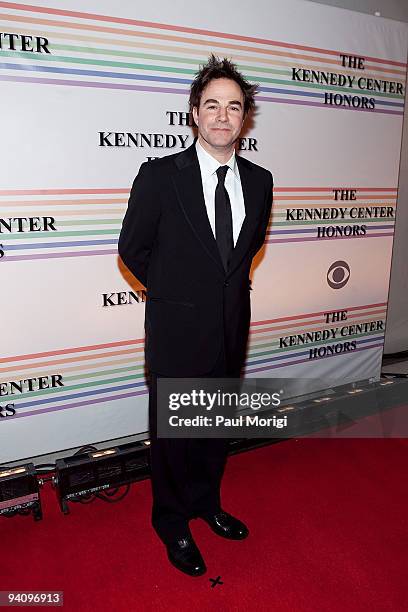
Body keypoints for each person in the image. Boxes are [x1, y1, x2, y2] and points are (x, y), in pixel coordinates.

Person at [118, 54, 273, 576]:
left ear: (245, 116)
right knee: (175, 439)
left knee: (211, 431)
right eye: (212, 105)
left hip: (231, 331)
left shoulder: (261, 180)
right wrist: (176, 297)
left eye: (234, 106)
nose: (223, 116)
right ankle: (172, 522)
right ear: (194, 113)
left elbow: (244, 252)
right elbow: (133, 249)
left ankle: (207, 504)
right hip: (177, 333)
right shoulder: (160, 176)